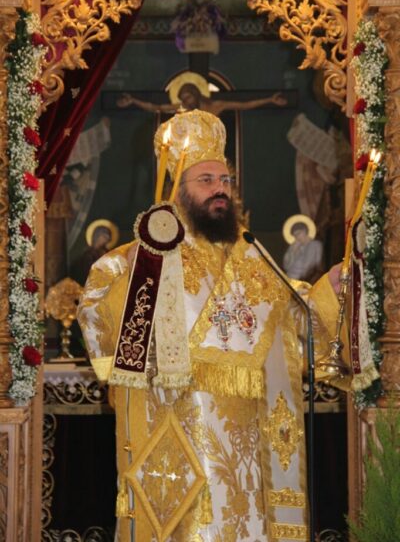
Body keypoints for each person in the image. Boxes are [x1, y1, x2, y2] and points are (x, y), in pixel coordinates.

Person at [78, 110, 345, 542]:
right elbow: (98, 318)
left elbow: (291, 312)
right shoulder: (138, 258)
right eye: (206, 180)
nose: (220, 188)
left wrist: (328, 292)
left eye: (225, 180)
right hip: (182, 442)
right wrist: (137, 281)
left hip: (251, 446)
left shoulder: (249, 252)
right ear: (178, 188)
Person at [117, 73, 288, 116]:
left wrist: (270, 100)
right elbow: (157, 107)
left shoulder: (216, 106)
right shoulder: (183, 108)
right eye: (183, 99)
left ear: (196, 94)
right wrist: (133, 101)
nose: (186, 102)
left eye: (188, 97)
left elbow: (244, 105)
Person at [282, 216, 324, 283]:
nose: (297, 237)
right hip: (290, 279)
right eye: (295, 235)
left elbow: (318, 265)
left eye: (298, 233)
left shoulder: (316, 245)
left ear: (305, 231)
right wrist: (293, 252)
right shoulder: (293, 247)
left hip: (308, 279)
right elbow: (286, 267)